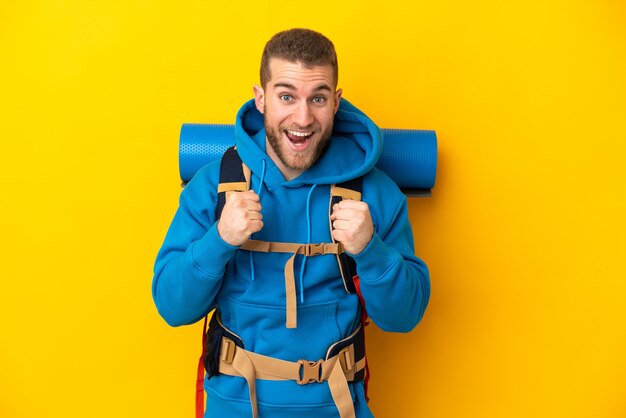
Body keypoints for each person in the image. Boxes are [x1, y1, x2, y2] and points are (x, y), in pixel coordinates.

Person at [152, 28, 430, 418]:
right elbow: (172, 307)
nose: (302, 118)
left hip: (336, 406)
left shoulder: (374, 193)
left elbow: (404, 318)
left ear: (336, 101)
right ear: (260, 98)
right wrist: (219, 239)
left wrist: (371, 252)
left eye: (317, 98)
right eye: (286, 96)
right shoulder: (214, 187)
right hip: (234, 406)